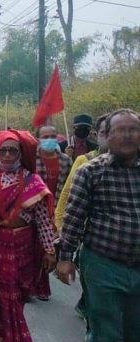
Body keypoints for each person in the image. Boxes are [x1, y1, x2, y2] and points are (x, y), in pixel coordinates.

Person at [56, 109, 140, 342]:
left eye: (133, 130)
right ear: (107, 136)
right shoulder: (91, 171)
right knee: (107, 336)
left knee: (133, 329)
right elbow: (74, 216)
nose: (127, 136)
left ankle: (102, 341)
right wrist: (65, 258)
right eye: (120, 130)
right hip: (103, 264)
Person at [0, 129, 57, 342]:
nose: (8, 155)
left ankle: (9, 339)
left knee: (15, 294)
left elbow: (43, 219)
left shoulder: (33, 181)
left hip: (22, 247)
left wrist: (50, 250)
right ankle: (0, 338)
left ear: (21, 153)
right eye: (3, 150)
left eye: (13, 150)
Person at [54, 114, 108, 326]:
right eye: (105, 132)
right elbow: (68, 195)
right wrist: (60, 224)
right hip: (88, 231)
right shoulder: (84, 161)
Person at [34, 124, 72, 301]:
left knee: (48, 249)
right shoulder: (31, 158)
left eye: (52, 136)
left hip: (54, 211)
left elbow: (68, 188)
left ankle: (42, 286)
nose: (49, 140)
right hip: (33, 209)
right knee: (31, 248)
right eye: (45, 136)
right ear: (38, 139)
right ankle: (29, 284)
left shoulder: (66, 161)